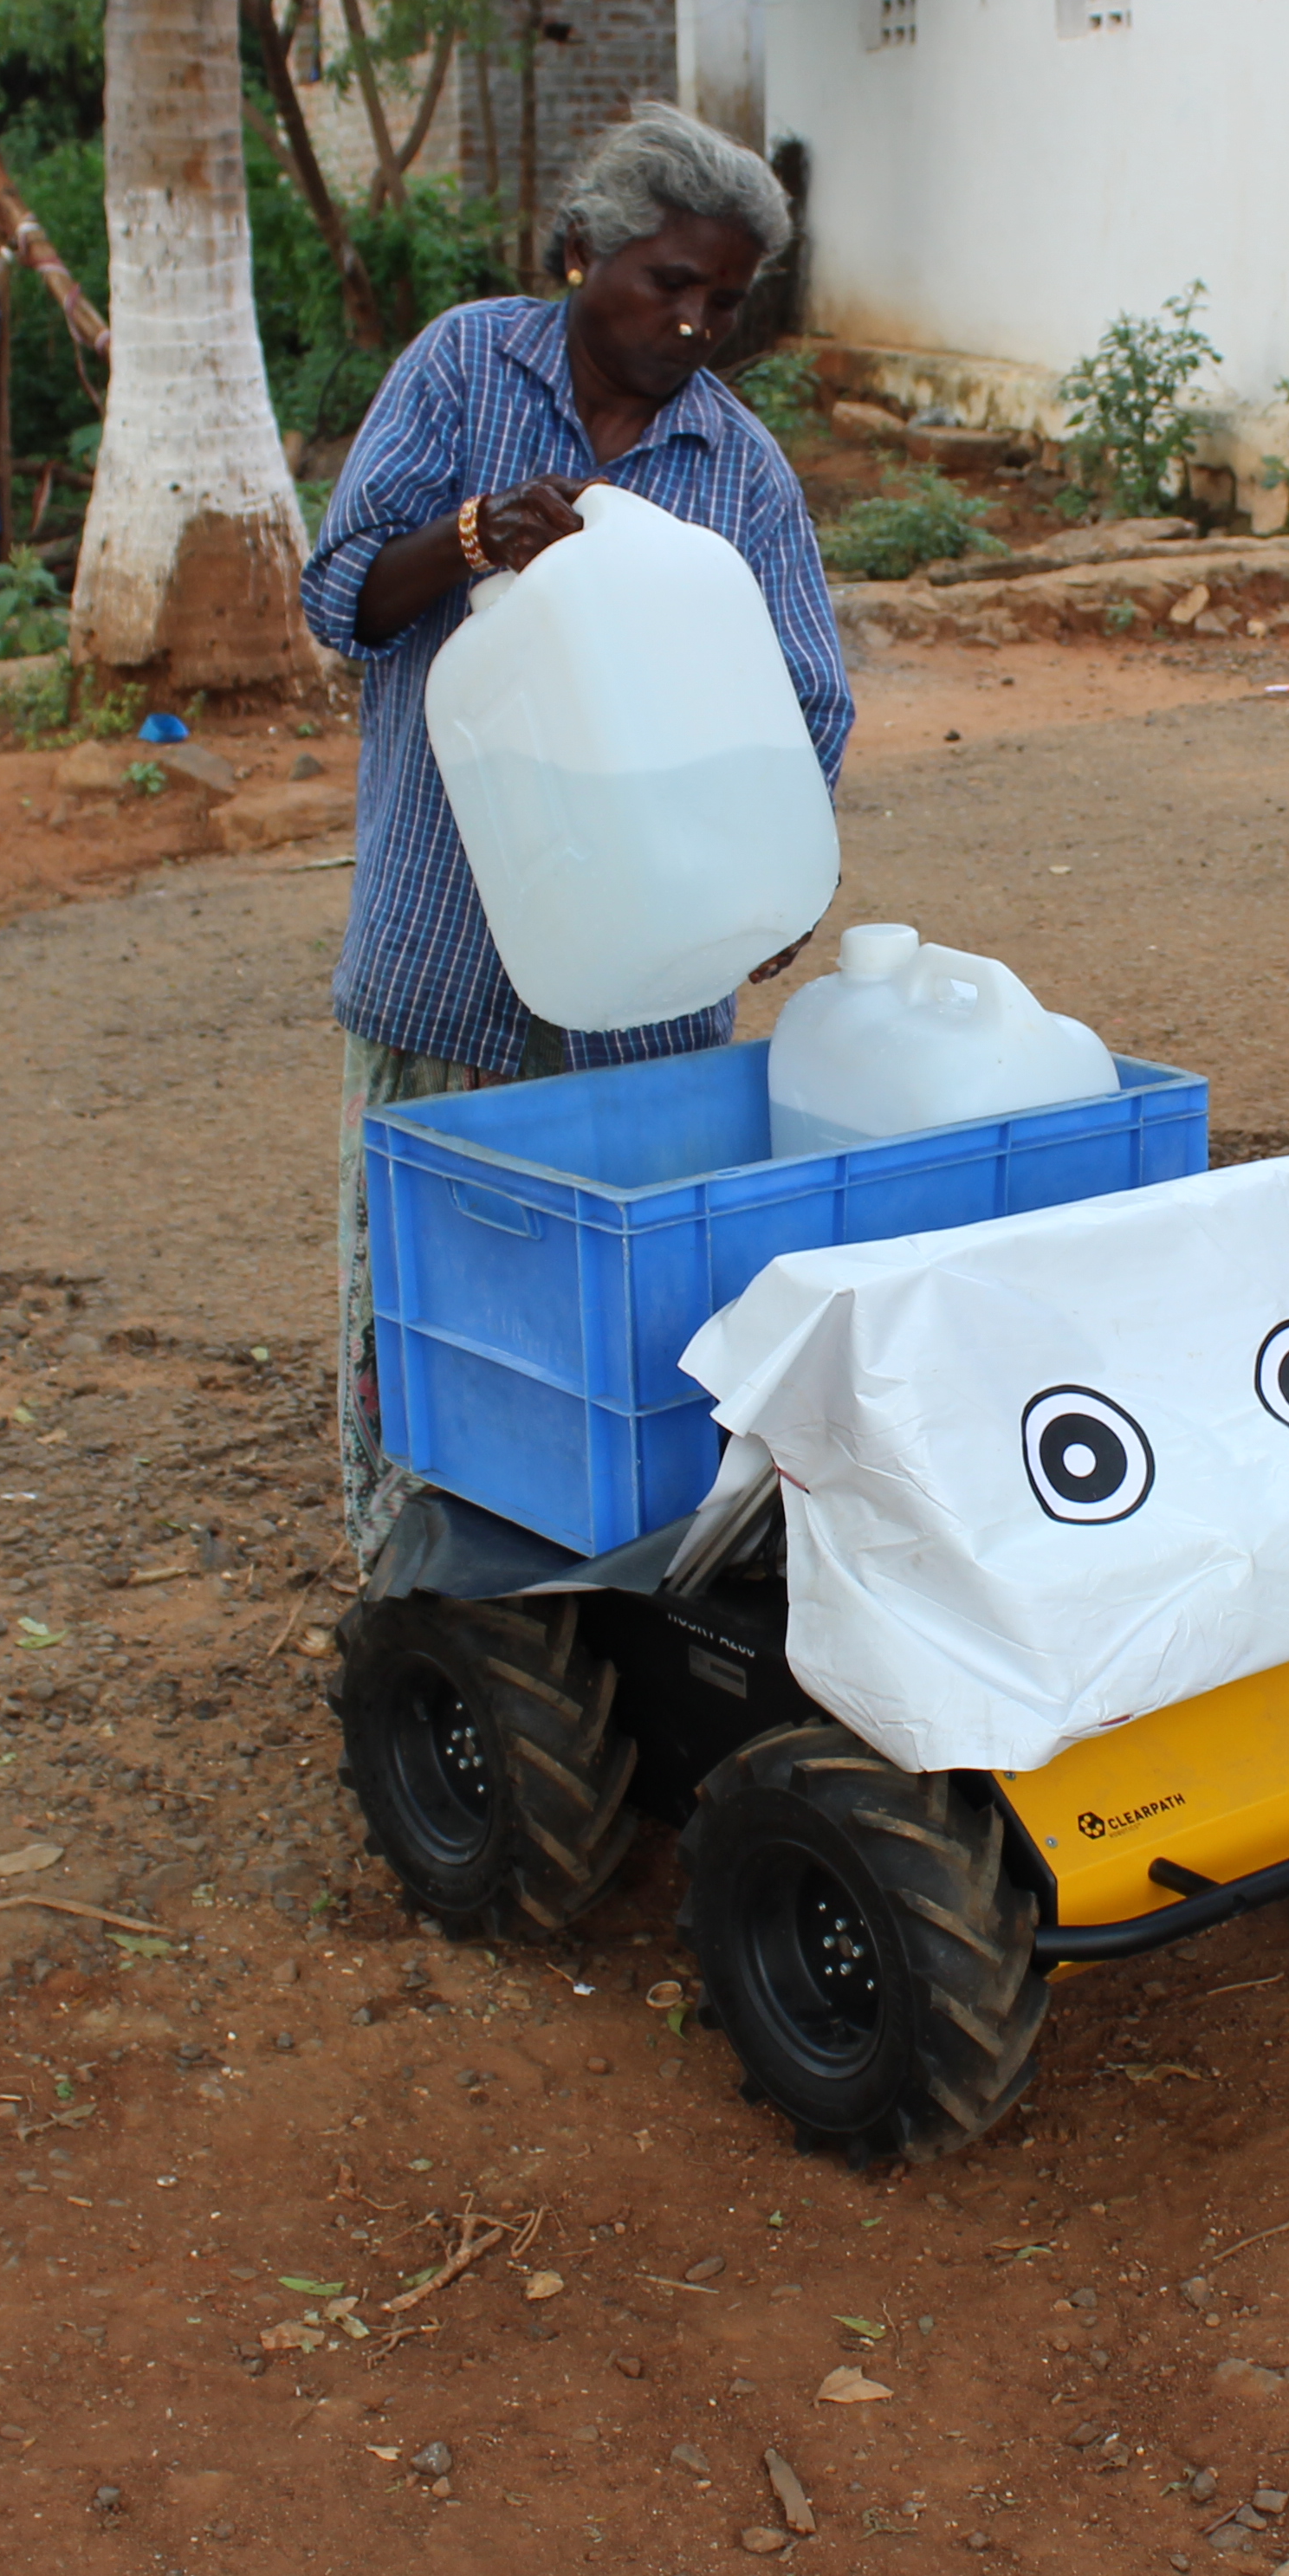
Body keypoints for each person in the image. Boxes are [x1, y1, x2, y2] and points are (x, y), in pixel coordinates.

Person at [299, 104, 849, 1563]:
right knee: (427, 1288)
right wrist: (480, 536)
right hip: (442, 942)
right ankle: (411, 1584)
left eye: (725, 300)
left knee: (621, 1293)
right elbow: (338, 593)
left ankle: (600, 1576)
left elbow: (808, 695)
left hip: (643, 973)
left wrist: (770, 871)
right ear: (578, 254)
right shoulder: (466, 366)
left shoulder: (735, 469)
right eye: (668, 283)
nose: (695, 323)